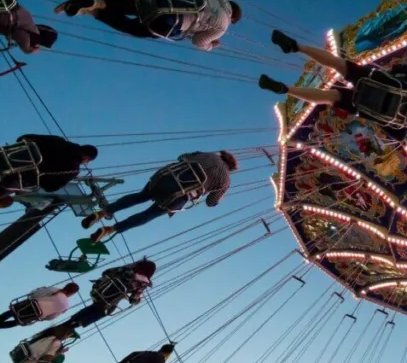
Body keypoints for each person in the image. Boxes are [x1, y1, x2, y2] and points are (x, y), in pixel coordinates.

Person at [258, 30, 407, 139]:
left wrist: (394, 72)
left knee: (339, 64)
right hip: (363, 105)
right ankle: (285, 89)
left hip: (376, 81)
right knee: (331, 97)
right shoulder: (401, 127)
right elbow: (393, 133)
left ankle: (296, 47)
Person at [81, 151, 237, 242]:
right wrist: (219, 197)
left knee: (139, 197)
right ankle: (110, 229)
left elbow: (181, 157)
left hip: (164, 179)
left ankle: (102, 213)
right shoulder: (226, 180)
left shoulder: (206, 154)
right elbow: (211, 202)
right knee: (148, 215)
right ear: (230, 168)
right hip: (178, 196)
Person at [55, 0, 241, 51]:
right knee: (133, 27)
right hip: (170, 19)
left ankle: (97, 2)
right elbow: (198, 41)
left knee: (128, 4)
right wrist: (212, 45)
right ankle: (93, 12)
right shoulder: (223, 24)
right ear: (232, 18)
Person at [0, 134, 98, 207]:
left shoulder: (58, 140)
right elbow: (50, 187)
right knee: (19, 187)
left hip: (6, 157)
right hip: (13, 179)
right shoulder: (73, 169)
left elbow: (23, 137)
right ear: (86, 159)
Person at [68, 259, 159, 329]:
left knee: (95, 306)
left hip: (98, 290)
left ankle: (72, 320)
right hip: (110, 301)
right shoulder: (143, 283)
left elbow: (106, 272)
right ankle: (77, 324)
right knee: (105, 311)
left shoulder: (126, 269)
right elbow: (133, 299)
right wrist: (136, 300)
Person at [0, 282, 79, 329]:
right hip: (34, 315)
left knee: (12, 312)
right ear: (72, 293)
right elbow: (51, 317)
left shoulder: (53, 289)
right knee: (16, 322)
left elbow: (34, 294)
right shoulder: (65, 306)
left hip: (26, 305)